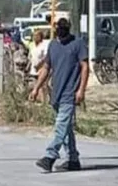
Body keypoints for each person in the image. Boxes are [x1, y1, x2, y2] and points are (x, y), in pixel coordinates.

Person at [30, 18, 88, 173]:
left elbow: (85, 67)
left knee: (60, 126)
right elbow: (46, 68)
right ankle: (73, 160)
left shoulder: (78, 43)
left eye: (63, 28)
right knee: (66, 128)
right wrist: (36, 88)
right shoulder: (53, 45)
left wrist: (81, 90)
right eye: (58, 28)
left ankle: (50, 156)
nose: (60, 31)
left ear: (68, 28)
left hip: (70, 93)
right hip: (56, 93)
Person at [28, 30, 48, 97]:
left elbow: (45, 57)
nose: (35, 37)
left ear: (40, 36)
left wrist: (39, 65)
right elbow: (31, 57)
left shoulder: (43, 45)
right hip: (33, 70)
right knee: (33, 87)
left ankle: (43, 103)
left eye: (37, 36)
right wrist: (28, 67)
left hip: (41, 69)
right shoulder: (32, 46)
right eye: (34, 35)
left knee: (41, 87)